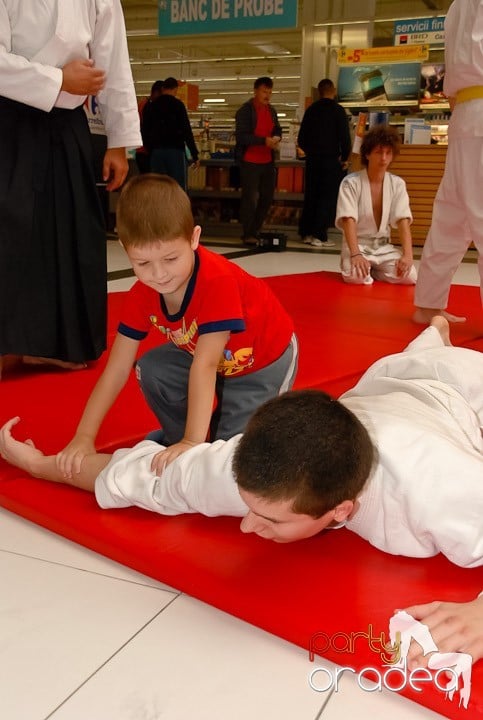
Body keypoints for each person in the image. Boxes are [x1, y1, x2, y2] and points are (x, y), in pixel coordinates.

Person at [1, 317, 482, 670]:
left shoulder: (435, 488)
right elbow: (153, 477)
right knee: (410, 358)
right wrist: (42, 465)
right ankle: (435, 328)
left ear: (342, 510)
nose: (249, 526)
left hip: (465, 393)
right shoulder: (255, 471)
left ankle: (437, 331)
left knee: (436, 357)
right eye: (252, 511)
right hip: (386, 383)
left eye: (270, 521)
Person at [55, 173, 297, 477]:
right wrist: (84, 436)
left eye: (170, 258)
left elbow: (206, 365)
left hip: (262, 361)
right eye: (142, 263)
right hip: (208, 356)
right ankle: (177, 439)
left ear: (194, 238)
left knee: (234, 463)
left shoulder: (217, 282)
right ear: (125, 249)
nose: (159, 275)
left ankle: (194, 439)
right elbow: (116, 369)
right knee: (151, 368)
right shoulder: (142, 295)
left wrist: (192, 441)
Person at [0, 0, 141, 378]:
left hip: (66, 122)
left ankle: (56, 343)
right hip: (6, 117)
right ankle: (7, 344)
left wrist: (118, 141)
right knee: (8, 232)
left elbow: (113, 63)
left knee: (70, 231)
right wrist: (57, 79)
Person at [413, 0, 483, 325]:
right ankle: (427, 305)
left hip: (465, 113)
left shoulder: (457, 5)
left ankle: (428, 305)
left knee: (451, 216)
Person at [336, 124, 417, 285]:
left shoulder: (397, 184)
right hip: (358, 246)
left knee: (410, 277)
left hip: (383, 248)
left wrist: (408, 255)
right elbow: (348, 219)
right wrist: (355, 254)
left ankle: (376, 271)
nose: (384, 158)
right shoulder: (350, 183)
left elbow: (403, 221)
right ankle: (365, 267)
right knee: (356, 277)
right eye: (379, 152)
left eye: (388, 153)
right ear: (367, 154)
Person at [297, 78, 351, 249]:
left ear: (319, 92)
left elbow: (301, 139)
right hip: (330, 161)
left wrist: (311, 152)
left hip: (312, 161)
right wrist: (345, 157)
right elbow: (345, 138)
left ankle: (305, 232)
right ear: (333, 91)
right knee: (326, 198)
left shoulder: (311, 110)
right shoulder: (338, 111)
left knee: (311, 195)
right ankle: (319, 235)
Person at [235, 77, 282, 246]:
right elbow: (241, 136)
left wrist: (277, 136)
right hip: (250, 161)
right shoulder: (245, 111)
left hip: (267, 161)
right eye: (264, 91)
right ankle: (248, 233)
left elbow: (277, 128)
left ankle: (255, 229)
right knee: (249, 198)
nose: (267, 95)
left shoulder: (272, 111)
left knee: (267, 197)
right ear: (255, 91)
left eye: (270, 92)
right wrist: (264, 141)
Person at [141, 77, 199, 191]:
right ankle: (177, 209)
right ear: (175, 89)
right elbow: (186, 130)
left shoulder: (151, 106)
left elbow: (144, 131)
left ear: (163, 88)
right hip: (175, 152)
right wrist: (194, 154)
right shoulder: (178, 105)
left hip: (156, 152)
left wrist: (150, 149)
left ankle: (157, 209)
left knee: (157, 187)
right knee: (177, 188)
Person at [135, 80, 164, 175]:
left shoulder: (142, 104)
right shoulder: (148, 106)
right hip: (146, 151)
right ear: (156, 92)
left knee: (145, 180)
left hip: (141, 150)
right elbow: (146, 129)